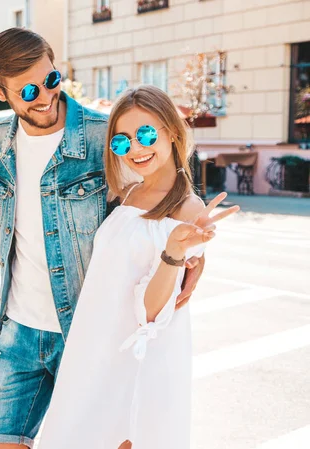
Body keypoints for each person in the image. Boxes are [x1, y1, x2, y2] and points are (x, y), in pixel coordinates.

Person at [0, 28, 204, 449]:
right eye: (28, 90)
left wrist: (193, 250)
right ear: (0, 90)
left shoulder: (104, 136)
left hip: (87, 331)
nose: (45, 96)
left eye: (51, 80)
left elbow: (159, 186)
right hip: (19, 332)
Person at [37, 85, 239, 449]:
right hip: (94, 349)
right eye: (122, 141)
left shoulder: (189, 210)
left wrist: (175, 253)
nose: (136, 149)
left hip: (136, 362)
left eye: (146, 134)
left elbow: (152, 312)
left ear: (173, 133)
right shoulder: (127, 194)